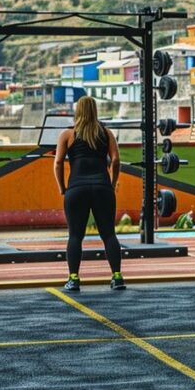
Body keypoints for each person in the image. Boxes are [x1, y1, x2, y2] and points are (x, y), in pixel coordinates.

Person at [53, 95, 124, 292]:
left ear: (78, 111)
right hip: (102, 188)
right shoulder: (106, 133)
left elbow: (58, 163)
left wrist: (61, 188)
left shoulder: (68, 134)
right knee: (109, 234)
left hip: (76, 189)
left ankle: (74, 279)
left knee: (75, 235)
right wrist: (112, 183)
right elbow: (116, 160)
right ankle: (117, 277)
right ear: (95, 111)